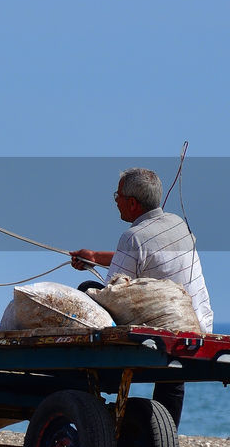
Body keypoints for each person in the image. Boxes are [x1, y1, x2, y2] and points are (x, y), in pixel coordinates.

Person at [70, 167, 212, 428]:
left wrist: (90, 280)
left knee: (87, 289)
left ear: (132, 203)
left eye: (118, 195)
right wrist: (94, 257)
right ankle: (166, 432)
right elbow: (145, 257)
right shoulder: (180, 226)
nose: (115, 200)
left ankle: (93, 393)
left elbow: (112, 291)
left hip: (164, 329)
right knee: (172, 378)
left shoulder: (132, 237)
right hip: (198, 326)